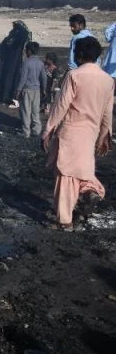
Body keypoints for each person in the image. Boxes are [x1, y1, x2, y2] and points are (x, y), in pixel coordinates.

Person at [42, 36, 113, 230]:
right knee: (83, 170)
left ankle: (65, 222)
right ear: (98, 56)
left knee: (65, 174)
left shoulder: (74, 76)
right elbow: (107, 112)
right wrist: (106, 135)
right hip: (91, 133)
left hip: (71, 130)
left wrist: (47, 129)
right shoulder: (108, 80)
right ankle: (91, 192)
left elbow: (61, 105)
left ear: (79, 54)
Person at [0, 20, 30, 106]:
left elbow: (20, 44)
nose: (13, 27)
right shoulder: (13, 34)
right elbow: (5, 43)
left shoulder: (22, 35)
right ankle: (3, 96)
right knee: (6, 78)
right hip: (9, 60)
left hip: (16, 61)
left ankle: (8, 97)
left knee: (12, 79)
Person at [15, 41, 47, 138]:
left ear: (29, 51)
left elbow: (23, 79)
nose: (25, 52)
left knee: (25, 111)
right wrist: (44, 89)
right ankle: (37, 130)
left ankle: (26, 132)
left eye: (26, 50)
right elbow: (44, 78)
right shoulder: (41, 63)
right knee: (35, 111)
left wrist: (18, 91)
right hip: (36, 90)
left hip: (27, 90)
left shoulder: (26, 63)